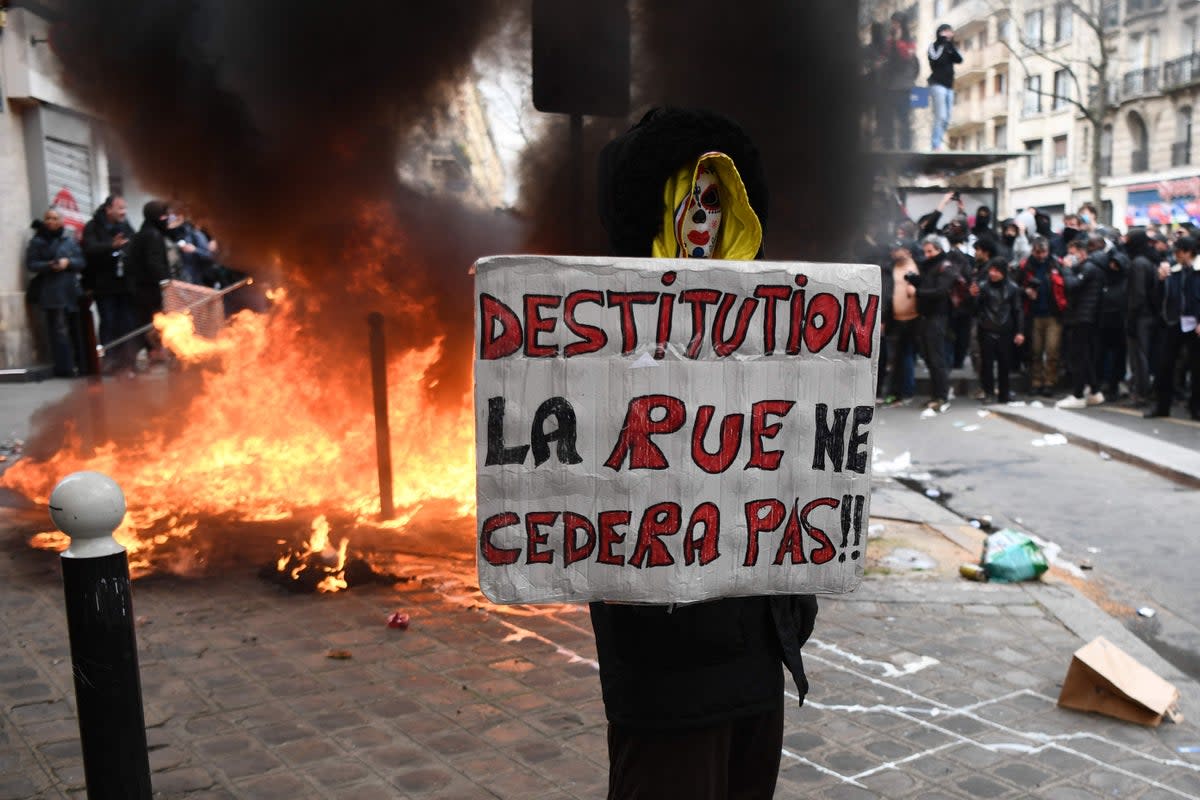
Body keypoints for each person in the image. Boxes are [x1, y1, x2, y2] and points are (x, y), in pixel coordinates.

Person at [593, 107, 818, 800]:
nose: (704, 220)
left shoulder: (768, 333)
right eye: (688, 202)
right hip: (667, 665)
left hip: (758, 649)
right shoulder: (597, 336)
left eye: (719, 203)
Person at [1144, 235, 1200, 419]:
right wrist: (1160, 280)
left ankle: (1195, 407)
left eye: (1178, 252)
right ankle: (1162, 406)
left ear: (1188, 252)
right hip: (1174, 322)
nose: (1174, 255)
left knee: (1196, 368)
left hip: (1195, 324)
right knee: (1164, 366)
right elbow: (1158, 299)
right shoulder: (1172, 270)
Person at [25, 207, 85, 377]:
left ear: (61, 221)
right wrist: (49, 265)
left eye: (54, 218)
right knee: (59, 331)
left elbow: (81, 261)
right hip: (52, 292)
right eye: (48, 218)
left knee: (75, 330)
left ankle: (81, 365)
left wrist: (69, 262)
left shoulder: (69, 240)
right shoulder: (38, 241)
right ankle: (64, 368)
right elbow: (31, 264)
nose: (50, 221)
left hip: (71, 291)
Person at [81, 195, 137, 373]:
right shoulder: (93, 227)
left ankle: (128, 360)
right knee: (109, 322)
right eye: (120, 208)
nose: (123, 212)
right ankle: (109, 359)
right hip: (104, 286)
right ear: (108, 209)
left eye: (125, 208)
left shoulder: (125, 226)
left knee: (127, 323)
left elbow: (133, 245)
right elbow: (89, 250)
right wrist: (111, 247)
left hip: (124, 285)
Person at [1056, 235, 1107, 408]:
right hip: (1084, 316)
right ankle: (1094, 391)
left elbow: (1072, 285)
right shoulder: (1089, 267)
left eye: (1073, 254)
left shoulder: (1089, 268)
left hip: (1083, 317)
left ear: (1082, 253)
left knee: (1079, 356)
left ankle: (1078, 395)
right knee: (1084, 356)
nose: (1070, 258)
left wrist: (1067, 270)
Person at [909, 235, 959, 412]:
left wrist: (918, 291)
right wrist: (915, 280)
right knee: (929, 357)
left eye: (930, 251)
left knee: (937, 358)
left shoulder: (945, 266)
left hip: (938, 317)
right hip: (925, 316)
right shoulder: (929, 266)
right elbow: (927, 284)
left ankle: (941, 396)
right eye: (926, 251)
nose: (927, 254)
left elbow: (940, 291)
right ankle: (935, 395)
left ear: (939, 249)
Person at [123, 200, 174, 367]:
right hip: (149, 290)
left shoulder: (142, 233)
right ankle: (151, 354)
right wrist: (164, 281)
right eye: (164, 215)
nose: (167, 219)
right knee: (152, 324)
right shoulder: (152, 235)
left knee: (146, 323)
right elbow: (154, 262)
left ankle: (150, 354)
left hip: (141, 288)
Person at [970, 256, 1025, 403]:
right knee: (987, 364)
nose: (992, 273)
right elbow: (974, 310)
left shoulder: (1013, 288)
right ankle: (988, 392)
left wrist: (1020, 331)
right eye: (991, 270)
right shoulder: (982, 286)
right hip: (986, 329)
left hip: (1006, 331)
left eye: (996, 271)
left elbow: (1018, 310)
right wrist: (974, 297)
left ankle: (1004, 393)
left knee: (1004, 364)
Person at [1016, 236, 1066, 397]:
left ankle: (1049, 382)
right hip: (1034, 313)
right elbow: (1015, 287)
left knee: (1052, 351)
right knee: (1035, 351)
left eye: (1043, 252)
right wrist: (1026, 292)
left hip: (1053, 314)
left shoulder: (1056, 264)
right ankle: (1036, 381)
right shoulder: (1025, 266)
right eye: (1038, 252)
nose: (1041, 256)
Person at [882, 240, 920, 405]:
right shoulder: (890, 267)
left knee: (906, 356)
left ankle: (904, 391)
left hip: (914, 318)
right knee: (896, 357)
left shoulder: (919, 266)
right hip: (895, 319)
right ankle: (897, 392)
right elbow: (887, 293)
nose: (893, 252)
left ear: (907, 251)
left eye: (897, 249)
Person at [877, 12, 919, 151]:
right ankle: (888, 147)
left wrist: (898, 41)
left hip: (905, 87)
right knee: (887, 120)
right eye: (893, 22)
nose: (894, 25)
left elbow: (906, 57)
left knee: (904, 120)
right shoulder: (889, 42)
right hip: (889, 87)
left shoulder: (909, 42)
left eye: (897, 22)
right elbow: (883, 58)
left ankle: (905, 149)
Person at [927, 23, 962, 151]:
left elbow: (959, 59)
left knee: (947, 119)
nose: (949, 34)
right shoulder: (934, 46)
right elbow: (935, 59)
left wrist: (950, 46)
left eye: (951, 32)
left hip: (949, 86)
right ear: (941, 32)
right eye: (947, 32)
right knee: (940, 116)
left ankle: (937, 144)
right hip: (937, 85)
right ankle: (935, 145)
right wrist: (942, 43)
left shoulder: (950, 47)